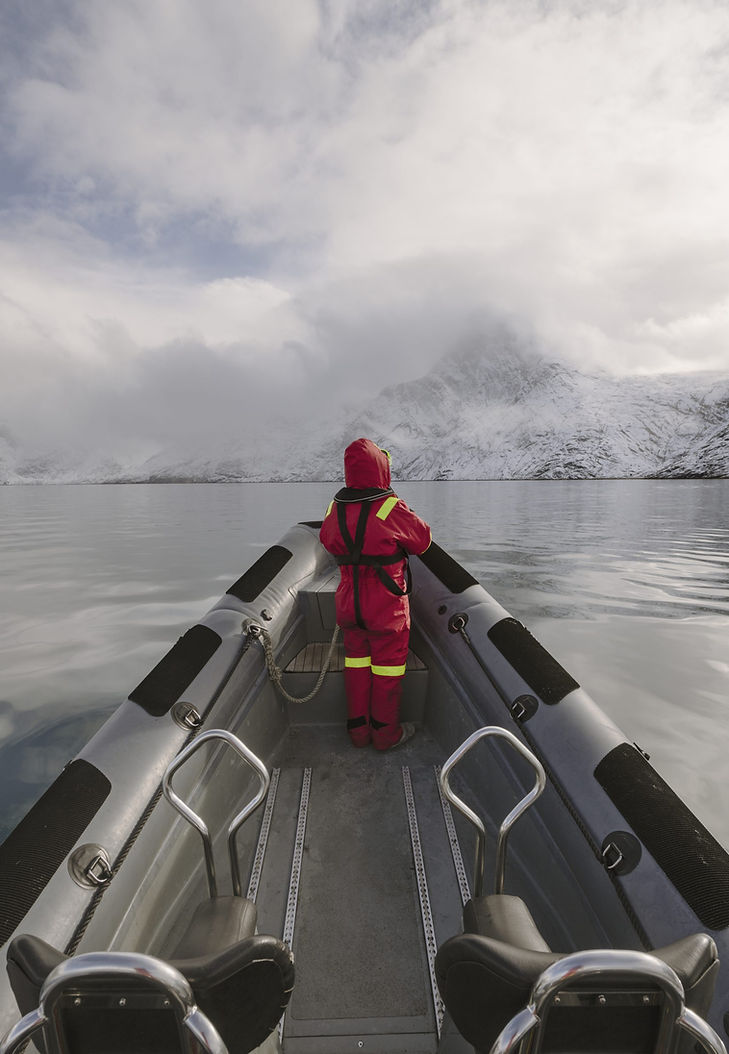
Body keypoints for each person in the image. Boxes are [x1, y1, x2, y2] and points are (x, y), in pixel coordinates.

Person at [319, 438, 431, 749]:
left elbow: (327, 541)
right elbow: (422, 541)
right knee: (387, 670)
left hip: (348, 604)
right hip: (385, 607)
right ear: (382, 469)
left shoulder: (334, 508)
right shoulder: (390, 508)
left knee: (356, 665)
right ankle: (385, 736)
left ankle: (358, 732)